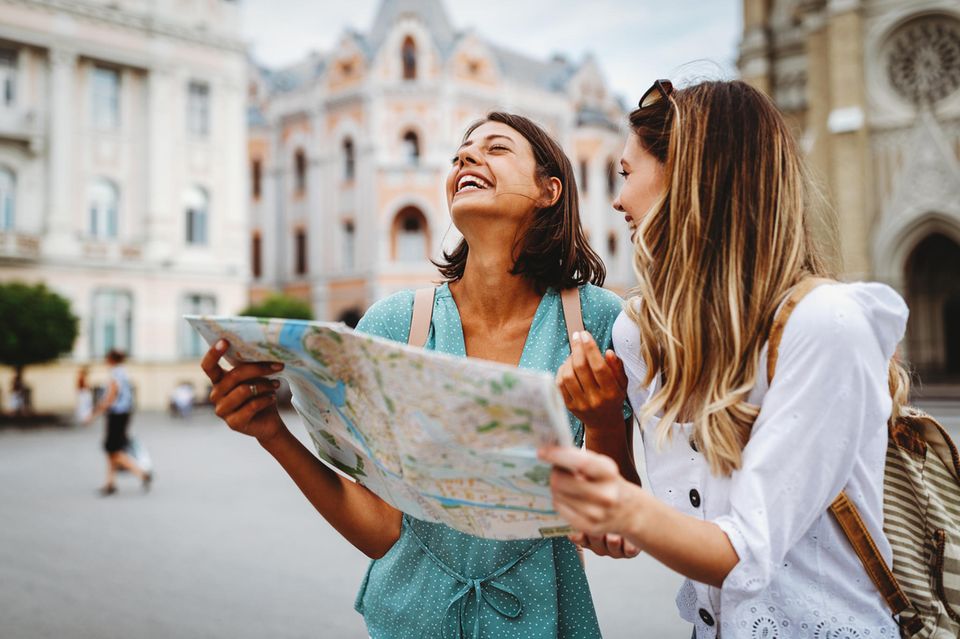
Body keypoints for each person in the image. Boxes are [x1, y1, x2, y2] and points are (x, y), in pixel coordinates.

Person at [201, 112, 630, 638]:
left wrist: (606, 421)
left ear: (549, 190)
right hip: (408, 621)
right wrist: (273, 432)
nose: (466, 158)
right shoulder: (394, 322)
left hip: (543, 622)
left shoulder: (598, 321)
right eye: (460, 154)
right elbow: (381, 530)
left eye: (495, 149)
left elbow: (613, 522)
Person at [540, 80, 909, 638]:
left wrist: (616, 506)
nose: (617, 200)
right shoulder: (640, 332)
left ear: (689, 176)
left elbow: (746, 552)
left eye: (626, 173)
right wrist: (600, 425)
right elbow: (646, 527)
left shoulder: (824, 323)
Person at [85, 349, 152, 496]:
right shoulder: (124, 373)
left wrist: (93, 414)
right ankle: (110, 483)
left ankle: (142, 473)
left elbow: (110, 398)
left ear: (111, 359)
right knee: (111, 450)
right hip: (123, 414)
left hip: (117, 416)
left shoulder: (115, 374)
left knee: (114, 450)